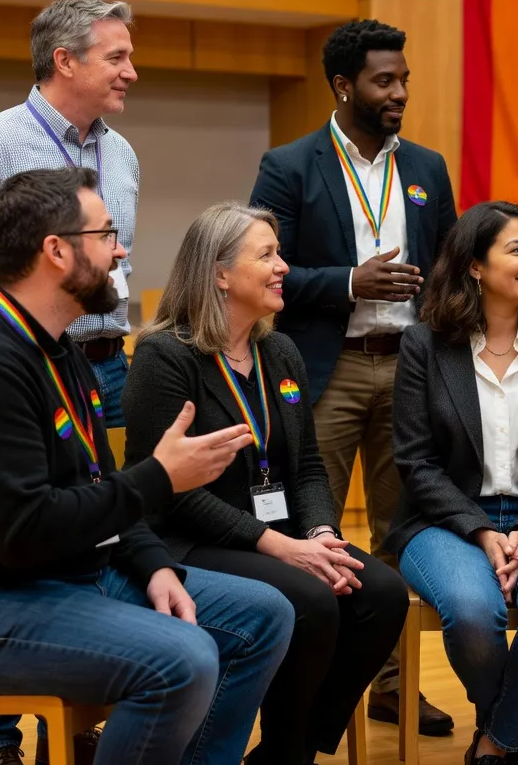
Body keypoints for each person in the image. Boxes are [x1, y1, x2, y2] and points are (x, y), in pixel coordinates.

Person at [0, 167, 295, 765]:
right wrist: (160, 477)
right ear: (56, 251)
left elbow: (98, 488)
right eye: (106, 234)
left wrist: (154, 564)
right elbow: (26, 532)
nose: (121, 249)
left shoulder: (59, 347)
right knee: (181, 661)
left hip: (60, 575)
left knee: (265, 614)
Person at [0, 0, 143, 765]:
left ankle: (80, 715)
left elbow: (116, 268)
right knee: (6, 537)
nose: (131, 72)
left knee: (93, 533)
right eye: (116, 56)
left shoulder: (124, 154)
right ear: (64, 60)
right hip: (12, 374)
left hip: (104, 369)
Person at [123, 202, 409, 765]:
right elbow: (171, 492)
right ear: (220, 274)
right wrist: (282, 547)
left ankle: (290, 750)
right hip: (193, 538)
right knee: (310, 600)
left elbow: (304, 468)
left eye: (279, 253)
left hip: (280, 535)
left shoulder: (279, 350)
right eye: (267, 255)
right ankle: (287, 753)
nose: (283, 267)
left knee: (378, 591)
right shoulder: (165, 356)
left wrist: (322, 532)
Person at [249, 18, 457, 734]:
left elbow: (453, 268)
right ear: (343, 86)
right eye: (383, 81)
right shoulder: (290, 165)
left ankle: (395, 683)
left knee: (405, 530)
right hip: (325, 371)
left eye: (403, 78)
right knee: (318, 530)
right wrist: (349, 281)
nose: (399, 91)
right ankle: (311, 682)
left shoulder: (426, 168)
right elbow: (264, 269)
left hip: (409, 370)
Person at [388, 201, 518, 764]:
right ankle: (510, 736)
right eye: (517, 250)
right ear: (475, 267)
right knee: (471, 609)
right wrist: (482, 531)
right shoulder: (423, 346)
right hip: (444, 521)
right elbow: (415, 463)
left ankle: (496, 740)